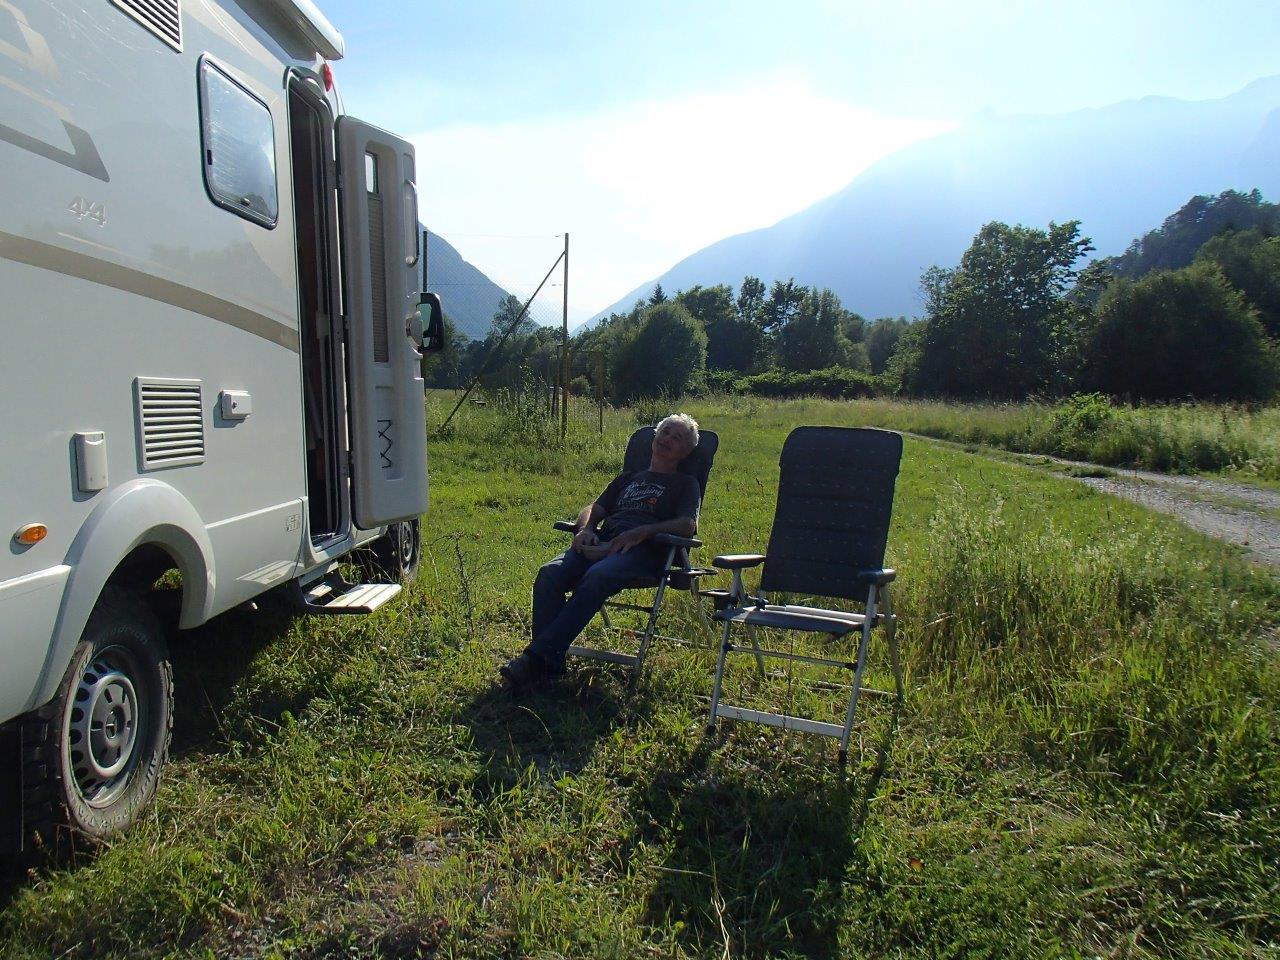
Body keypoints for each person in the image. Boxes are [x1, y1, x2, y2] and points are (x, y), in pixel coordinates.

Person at [501, 413, 702, 688]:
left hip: (644, 550)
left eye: (676, 437)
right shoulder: (628, 478)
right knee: (549, 574)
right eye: (664, 432)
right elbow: (593, 508)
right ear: (654, 437)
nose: (666, 439)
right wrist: (586, 529)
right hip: (602, 541)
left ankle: (534, 659)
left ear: (686, 451)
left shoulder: (685, 484)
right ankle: (550, 666)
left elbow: (688, 524)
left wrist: (642, 531)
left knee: (596, 576)